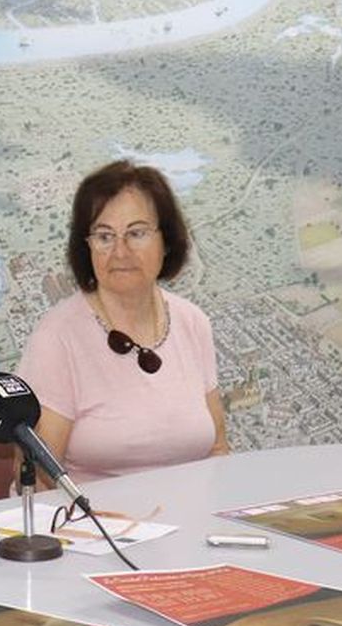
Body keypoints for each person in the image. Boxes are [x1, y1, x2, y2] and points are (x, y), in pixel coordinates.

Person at [16, 160, 229, 484]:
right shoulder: (58, 337)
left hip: (193, 524)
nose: (120, 251)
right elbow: (38, 478)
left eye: (137, 233)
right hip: (98, 528)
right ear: (86, 247)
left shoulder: (193, 322)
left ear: (167, 240)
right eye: (104, 236)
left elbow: (217, 450)